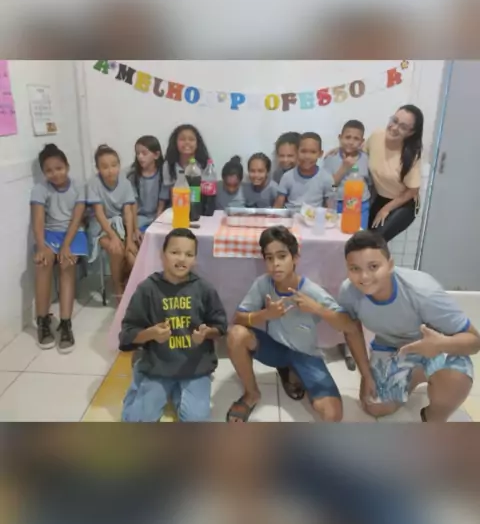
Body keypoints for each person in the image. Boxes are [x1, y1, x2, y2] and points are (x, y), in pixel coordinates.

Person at [226, 226, 365, 422]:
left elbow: (349, 326)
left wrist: (317, 308)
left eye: (282, 256)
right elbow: (238, 319)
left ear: (295, 258)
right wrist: (265, 314)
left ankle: (292, 371)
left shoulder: (311, 291)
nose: (275, 264)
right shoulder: (263, 284)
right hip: (275, 349)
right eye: (269, 258)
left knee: (333, 414)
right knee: (236, 335)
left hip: (305, 355)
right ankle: (252, 394)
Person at [339, 231, 479, 422]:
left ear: (390, 265)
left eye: (373, 266)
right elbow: (352, 331)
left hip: (434, 344)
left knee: (454, 380)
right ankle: (414, 374)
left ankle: (434, 417)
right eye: (355, 268)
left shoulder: (423, 291)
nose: (364, 276)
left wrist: (441, 344)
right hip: (390, 346)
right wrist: (366, 374)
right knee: (374, 406)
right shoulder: (349, 292)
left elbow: (474, 341)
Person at [119, 228, 228, 422]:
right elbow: (126, 335)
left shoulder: (204, 289)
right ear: (162, 255)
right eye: (175, 252)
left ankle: (177, 391)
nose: (182, 259)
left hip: (194, 367)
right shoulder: (147, 289)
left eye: (189, 254)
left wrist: (206, 333)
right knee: (137, 420)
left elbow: (220, 326)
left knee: (196, 421)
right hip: (157, 365)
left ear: (195, 259)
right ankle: (141, 376)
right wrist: (151, 334)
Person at [30, 144, 88, 352]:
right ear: (44, 172)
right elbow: (38, 220)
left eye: (59, 168)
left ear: (67, 167)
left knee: (66, 263)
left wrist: (65, 246)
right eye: (49, 170)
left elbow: (77, 219)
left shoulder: (79, 186)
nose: (55, 174)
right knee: (43, 264)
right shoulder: (40, 189)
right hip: (50, 234)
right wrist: (41, 247)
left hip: (74, 233)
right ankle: (43, 321)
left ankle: (65, 324)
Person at [86, 144, 137, 300]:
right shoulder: (94, 183)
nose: (110, 170)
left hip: (120, 224)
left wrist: (129, 240)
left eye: (114, 165)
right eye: (105, 167)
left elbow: (128, 212)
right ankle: (117, 285)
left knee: (131, 254)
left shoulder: (125, 183)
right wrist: (113, 237)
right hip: (100, 226)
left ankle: (133, 288)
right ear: (98, 169)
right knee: (116, 250)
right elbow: (99, 214)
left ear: (119, 165)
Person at [366, 105, 423, 240]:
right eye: (394, 120)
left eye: (403, 127)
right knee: (365, 238)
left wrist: (387, 209)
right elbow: (361, 152)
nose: (394, 127)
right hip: (380, 198)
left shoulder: (411, 154)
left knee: (375, 240)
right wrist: (340, 150)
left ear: (411, 132)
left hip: (404, 203)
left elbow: (413, 190)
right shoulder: (376, 136)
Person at [323, 119, 371, 230]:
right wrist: (344, 168)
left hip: (361, 205)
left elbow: (370, 183)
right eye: (347, 137)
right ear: (340, 138)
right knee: (337, 233)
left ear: (362, 141)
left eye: (356, 139)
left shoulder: (366, 158)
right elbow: (329, 186)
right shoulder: (331, 158)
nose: (351, 142)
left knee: (358, 235)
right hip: (338, 203)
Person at [157, 124, 210, 215]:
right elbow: (165, 192)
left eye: (191, 139)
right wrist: (159, 212)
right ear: (175, 143)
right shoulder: (169, 165)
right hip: (176, 208)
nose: (187, 142)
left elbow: (207, 193)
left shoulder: (204, 164)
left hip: (199, 209)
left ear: (197, 143)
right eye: (182, 139)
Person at [274, 132, 334, 209]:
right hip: (291, 215)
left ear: (320, 154)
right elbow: (278, 206)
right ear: (297, 152)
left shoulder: (327, 178)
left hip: (314, 215)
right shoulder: (287, 177)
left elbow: (331, 207)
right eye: (303, 151)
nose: (307, 156)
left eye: (313, 152)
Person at [127, 135, 163, 244]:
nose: (140, 157)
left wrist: (155, 226)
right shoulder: (133, 176)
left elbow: (163, 201)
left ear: (156, 155)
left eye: (144, 153)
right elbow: (132, 205)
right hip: (139, 219)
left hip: (158, 219)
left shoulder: (163, 174)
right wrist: (135, 229)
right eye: (137, 153)